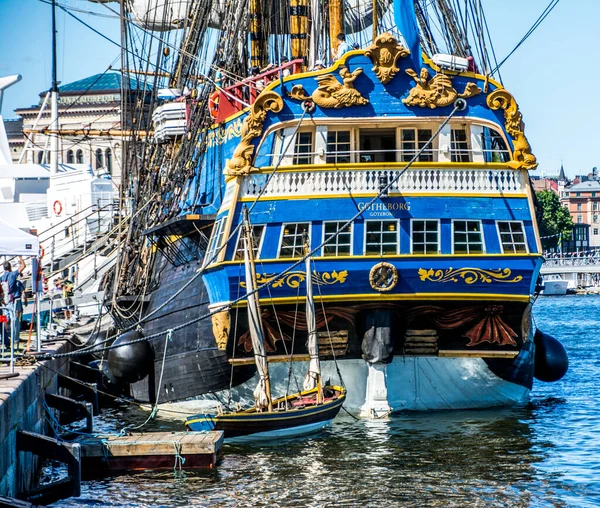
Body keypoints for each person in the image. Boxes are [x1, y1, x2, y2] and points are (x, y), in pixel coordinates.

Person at [1, 257, 26, 349]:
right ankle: (13, 337)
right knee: (14, 319)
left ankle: (5, 337)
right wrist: (20, 258)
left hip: (4, 302)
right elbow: (23, 266)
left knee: (4, 320)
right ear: (10, 267)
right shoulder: (13, 275)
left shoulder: (1, 278)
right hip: (12, 300)